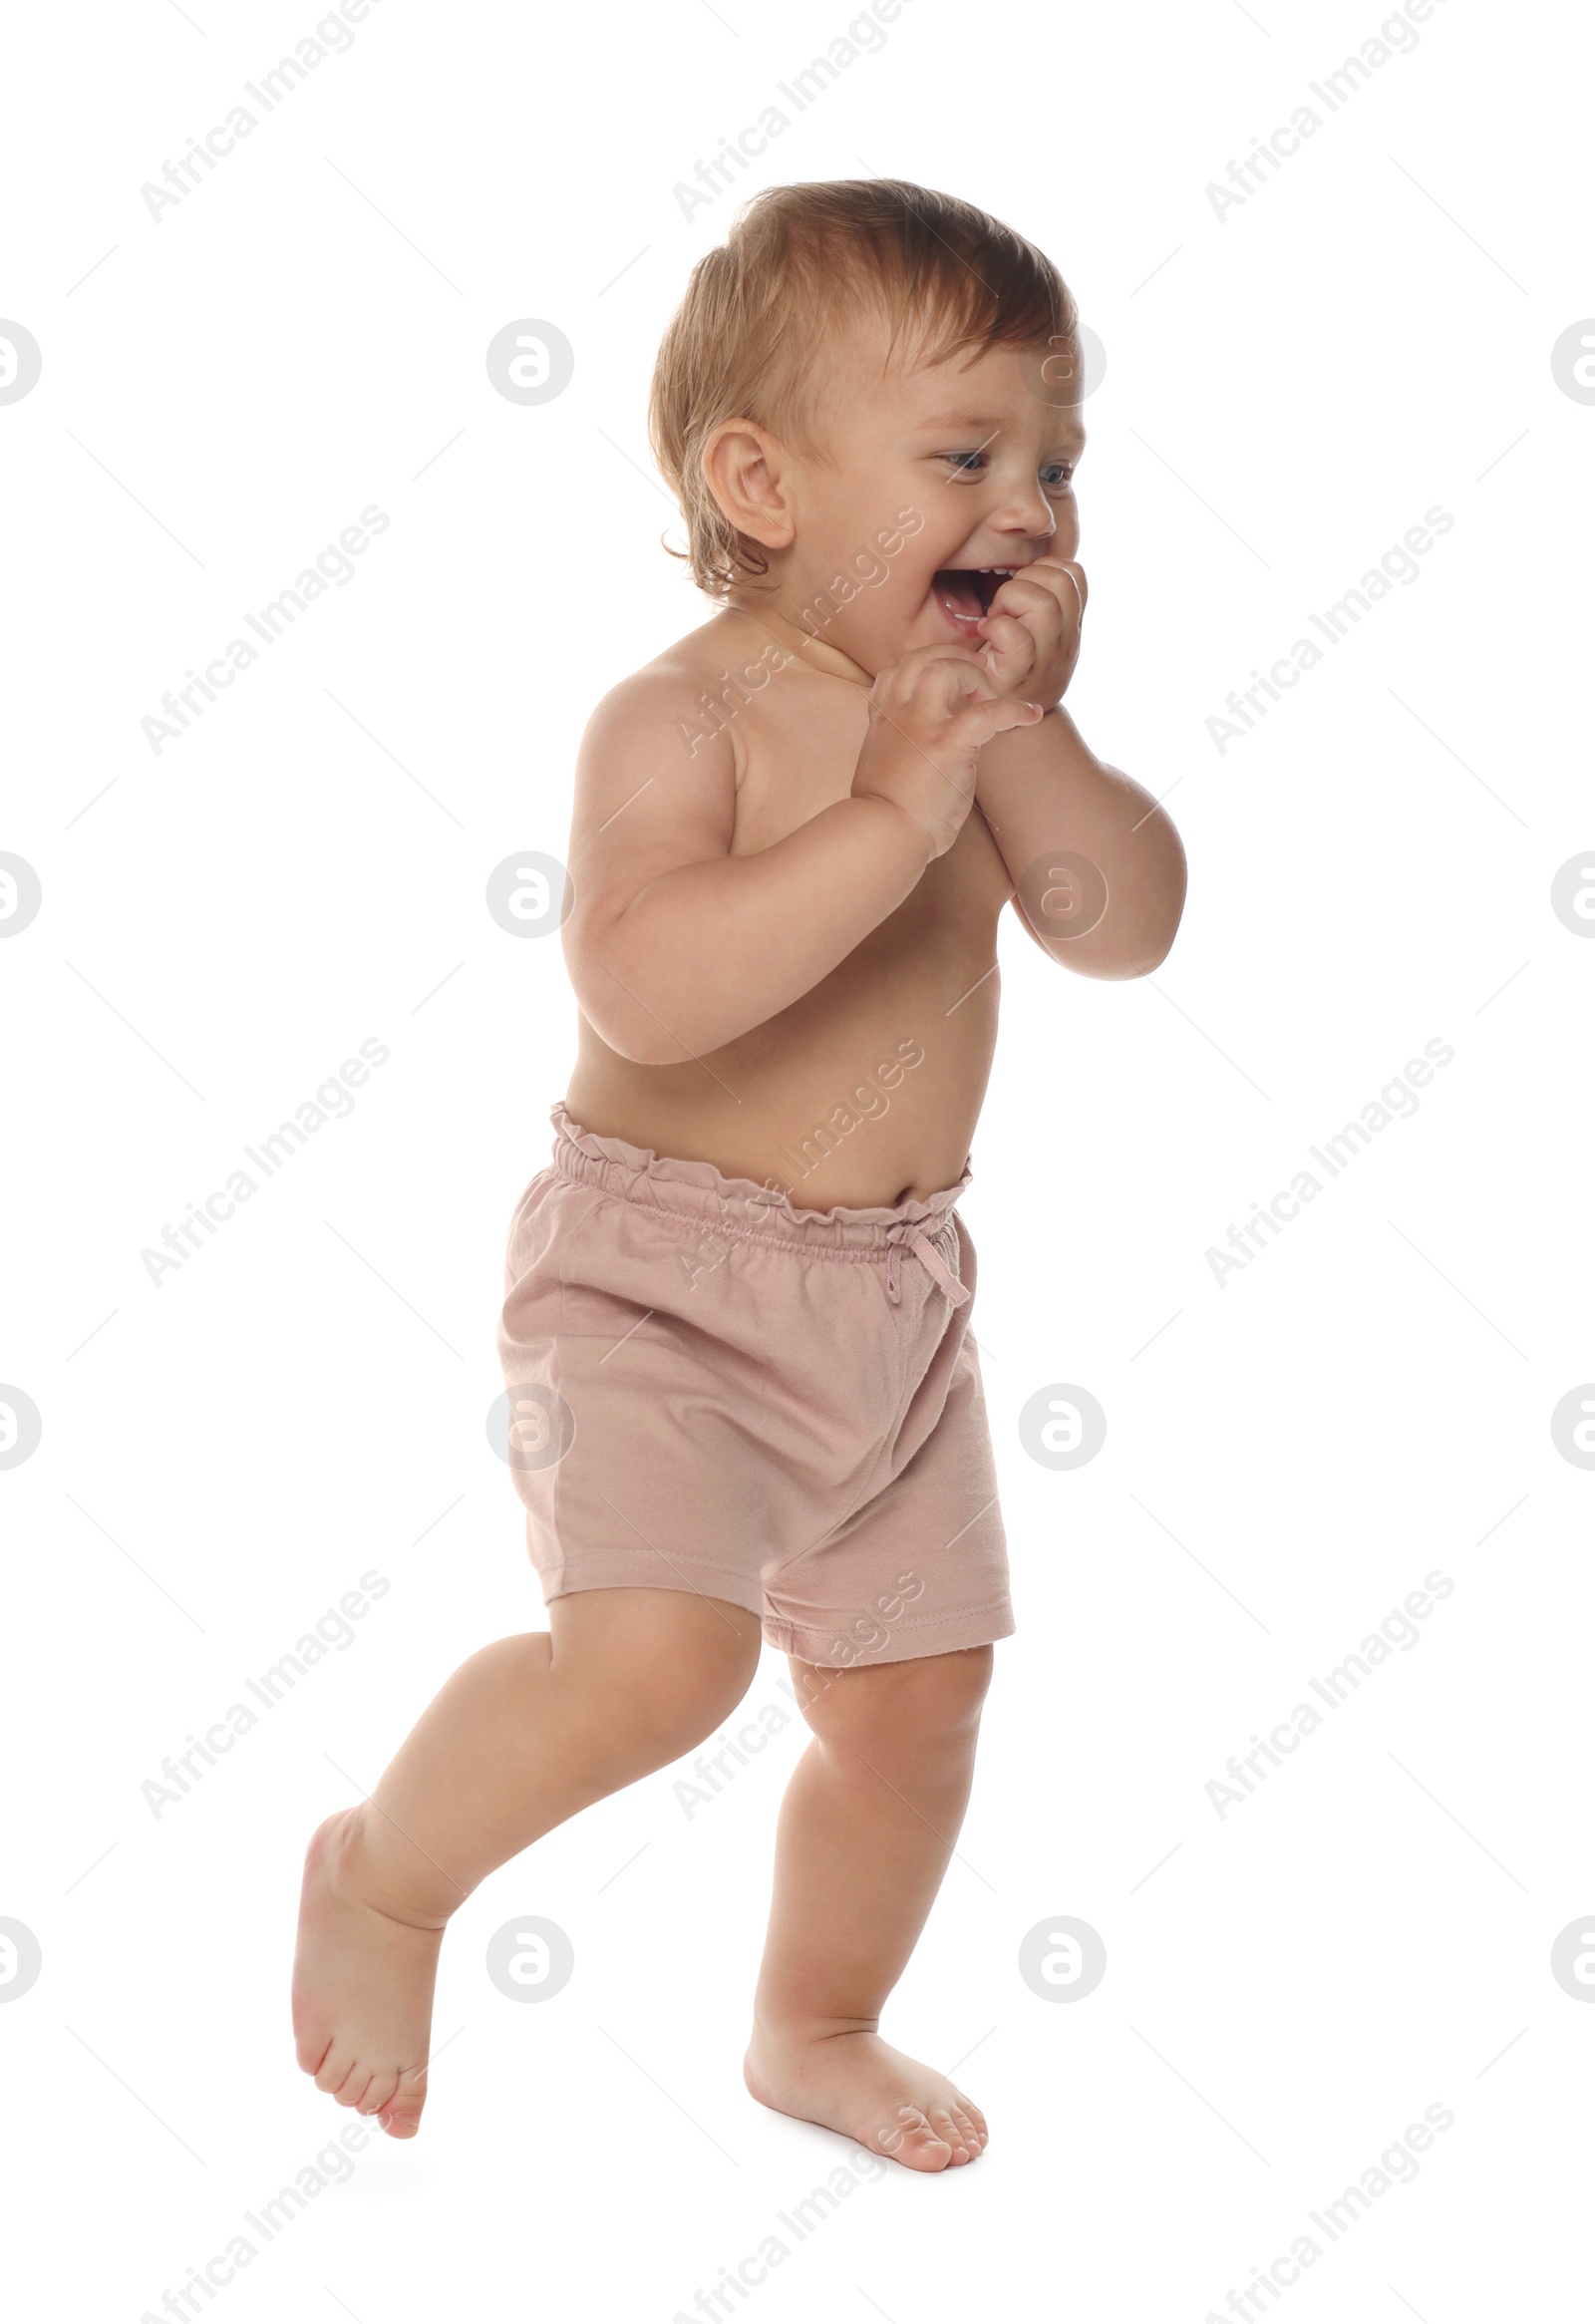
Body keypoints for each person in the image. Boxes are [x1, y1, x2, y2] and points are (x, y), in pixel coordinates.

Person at [292, 176, 1186, 2169]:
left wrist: (1017, 735)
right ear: (760, 485)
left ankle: (815, 2017)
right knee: (658, 1659)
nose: (1028, 505)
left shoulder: (976, 726)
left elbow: (1120, 924)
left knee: (916, 1699)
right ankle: (384, 1874)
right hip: (652, 1290)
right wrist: (887, 809)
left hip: (892, 1304)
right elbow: (647, 979)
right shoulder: (681, 712)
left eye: (1053, 458)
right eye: (964, 454)